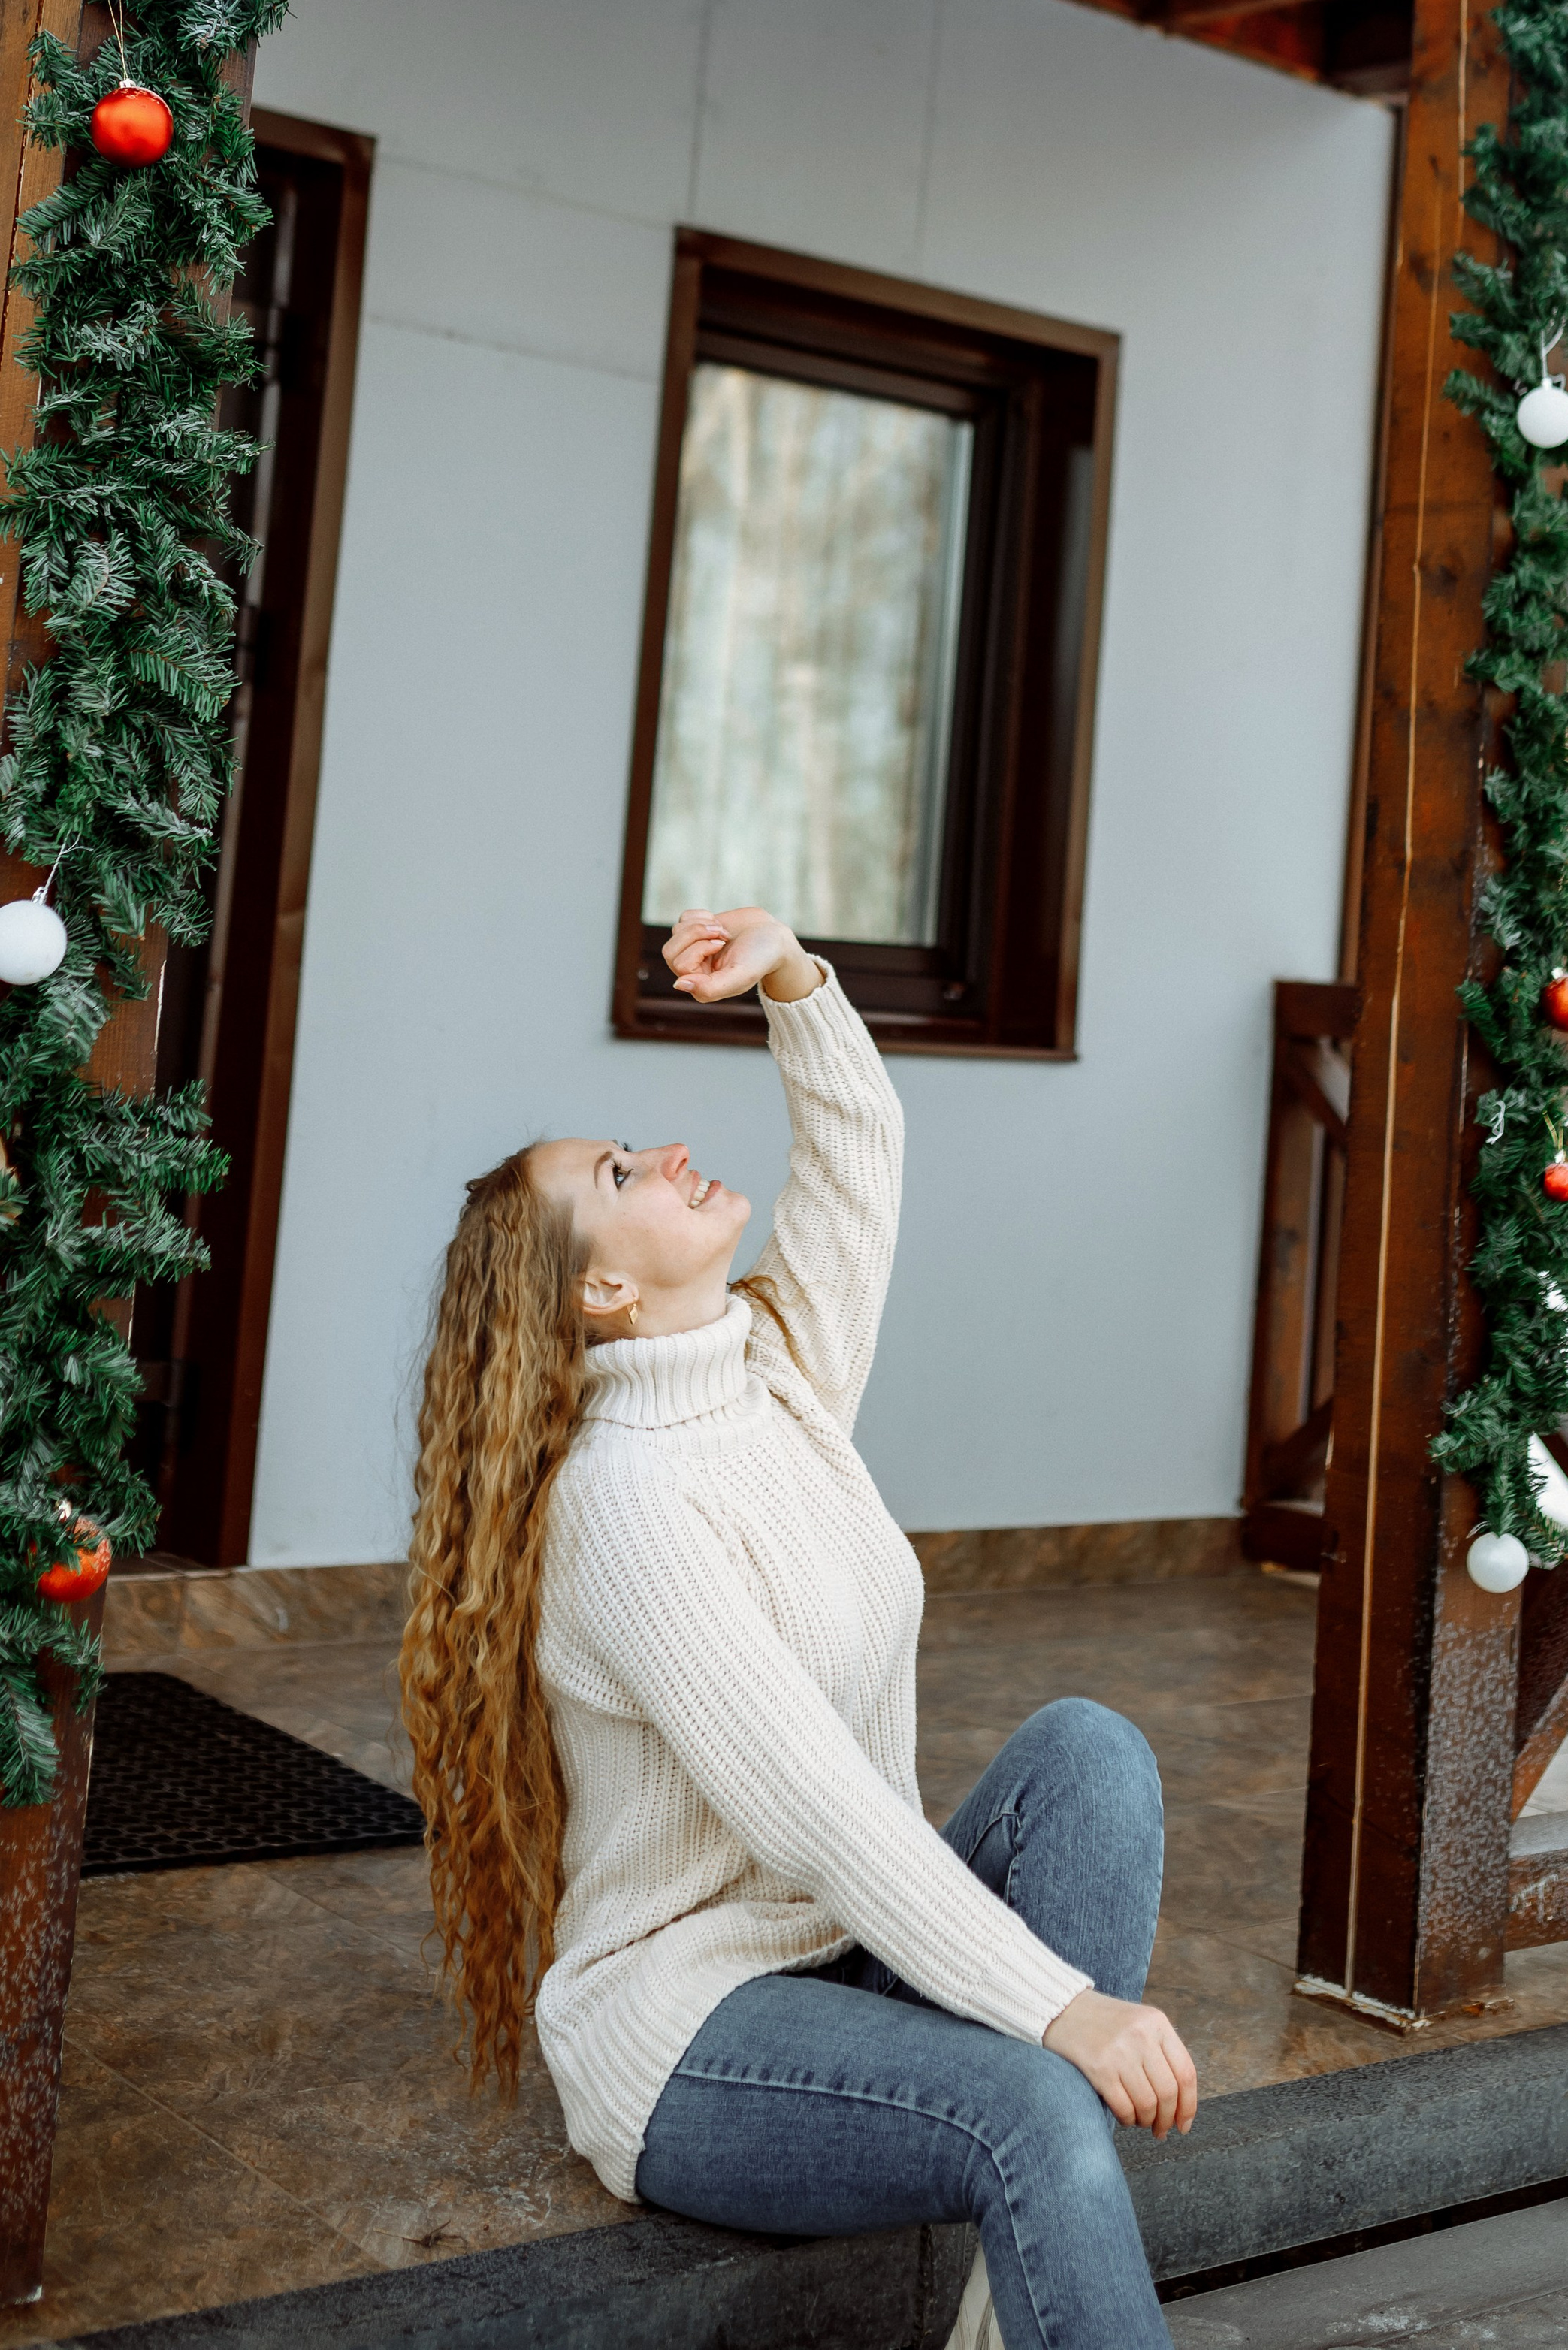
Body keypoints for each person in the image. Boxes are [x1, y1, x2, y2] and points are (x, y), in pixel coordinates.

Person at [399, 905, 1195, 2350]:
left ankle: (1015, 2309)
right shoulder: (623, 1513)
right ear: (604, 1290)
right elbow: (824, 1811)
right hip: (699, 2029)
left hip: (844, 1954)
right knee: (1035, 2096)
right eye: (622, 1174)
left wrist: (793, 978)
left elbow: (859, 1159)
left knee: (1090, 1753)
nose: (667, 1153)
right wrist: (1061, 2008)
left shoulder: (771, 1369)